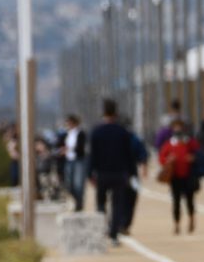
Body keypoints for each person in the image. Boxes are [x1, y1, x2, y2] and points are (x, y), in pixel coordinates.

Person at [89, 99, 135, 245]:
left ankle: (102, 229)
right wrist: (131, 173)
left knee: (101, 203)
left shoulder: (96, 132)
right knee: (117, 205)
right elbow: (129, 155)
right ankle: (114, 234)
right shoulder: (123, 132)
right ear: (116, 113)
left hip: (102, 174)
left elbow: (92, 155)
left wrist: (89, 173)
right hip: (119, 174)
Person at [159, 119, 201, 235]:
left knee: (190, 201)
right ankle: (176, 224)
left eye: (180, 127)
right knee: (176, 202)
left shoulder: (190, 142)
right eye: (175, 127)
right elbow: (162, 157)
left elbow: (199, 153)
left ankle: (191, 219)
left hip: (188, 176)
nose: (178, 130)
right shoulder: (169, 144)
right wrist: (168, 160)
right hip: (175, 177)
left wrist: (193, 158)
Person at [122, 119, 149, 235]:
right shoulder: (134, 138)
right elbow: (143, 155)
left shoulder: (132, 139)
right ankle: (124, 224)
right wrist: (144, 168)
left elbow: (143, 154)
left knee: (122, 200)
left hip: (123, 174)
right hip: (130, 174)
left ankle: (122, 224)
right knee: (129, 200)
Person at [63, 114, 87, 212]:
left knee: (78, 184)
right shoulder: (67, 134)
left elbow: (81, 146)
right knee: (69, 184)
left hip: (78, 161)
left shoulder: (81, 133)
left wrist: (70, 148)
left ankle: (79, 203)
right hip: (69, 160)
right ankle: (76, 200)